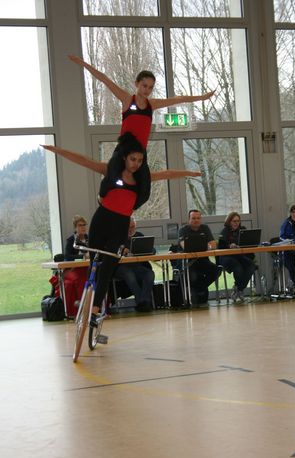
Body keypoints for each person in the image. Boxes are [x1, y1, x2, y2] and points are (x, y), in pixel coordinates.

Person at [42, 133, 199, 326]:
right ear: (124, 157)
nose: (136, 164)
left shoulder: (141, 180)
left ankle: (95, 309)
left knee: (107, 269)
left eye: (140, 160)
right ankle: (87, 298)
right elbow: (83, 160)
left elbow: (166, 174)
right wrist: (56, 150)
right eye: (133, 159)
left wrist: (189, 174)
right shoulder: (110, 170)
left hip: (120, 226)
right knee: (95, 266)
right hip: (101, 221)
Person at [66, 55, 214, 203]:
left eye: (150, 87)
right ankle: (102, 197)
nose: (147, 90)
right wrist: (82, 63)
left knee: (144, 186)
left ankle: (130, 206)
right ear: (137, 83)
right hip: (123, 149)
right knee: (112, 173)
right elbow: (105, 79)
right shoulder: (127, 99)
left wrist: (201, 97)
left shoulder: (152, 104)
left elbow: (178, 99)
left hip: (140, 153)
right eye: (144, 85)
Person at [113, 217, 155, 312]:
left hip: (137, 266)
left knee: (149, 274)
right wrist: (121, 251)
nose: (130, 229)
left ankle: (143, 301)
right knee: (129, 274)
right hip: (120, 268)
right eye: (128, 227)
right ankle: (142, 302)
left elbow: (152, 249)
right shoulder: (117, 238)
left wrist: (148, 249)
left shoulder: (139, 236)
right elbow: (112, 253)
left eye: (132, 227)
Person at [178, 209, 218, 305]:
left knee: (216, 270)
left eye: (198, 218)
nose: (196, 220)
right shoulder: (183, 230)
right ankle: (198, 293)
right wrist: (204, 246)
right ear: (189, 219)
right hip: (188, 262)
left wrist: (209, 246)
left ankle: (199, 289)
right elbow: (185, 246)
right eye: (194, 218)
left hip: (203, 259)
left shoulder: (205, 228)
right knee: (193, 276)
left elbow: (213, 245)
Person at [218, 212, 256, 302]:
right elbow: (221, 246)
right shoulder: (225, 231)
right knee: (238, 268)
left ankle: (238, 289)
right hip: (226, 256)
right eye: (234, 221)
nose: (236, 223)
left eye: (238, 221)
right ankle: (239, 290)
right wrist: (229, 246)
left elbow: (248, 243)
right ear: (229, 222)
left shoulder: (242, 230)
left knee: (251, 266)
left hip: (239, 255)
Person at [63, 215, 89, 317]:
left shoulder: (89, 238)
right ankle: (83, 308)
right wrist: (81, 256)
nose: (82, 227)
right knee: (80, 279)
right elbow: (67, 256)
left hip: (86, 267)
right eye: (80, 225)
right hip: (72, 269)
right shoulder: (71, 240)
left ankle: (97, 307)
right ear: (75, 227)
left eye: (84, 225)